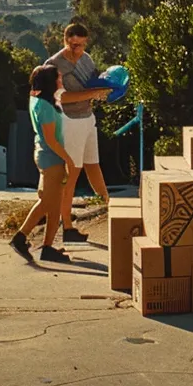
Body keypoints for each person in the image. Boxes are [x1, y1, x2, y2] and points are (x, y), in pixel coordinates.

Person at [46, 22, 111, 243]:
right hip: (68, 121)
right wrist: (93, 93)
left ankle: (110, 206)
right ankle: (67, 227)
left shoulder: (87, 59)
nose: (77, 50)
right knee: (71, 174)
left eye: (82, 45)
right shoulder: (54, 65)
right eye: (74, 45)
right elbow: (61, 97)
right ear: (65, 40)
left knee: (93, 165)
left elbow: (92, 84)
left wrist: (106, 89)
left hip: (87, 117)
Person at [10, 66, 74, 263]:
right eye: (59, 77)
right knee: (48, 202)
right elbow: (51, 140)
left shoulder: (40, 100)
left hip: (47, 156)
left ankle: (48, 247)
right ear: (51, 82)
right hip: (51, 158)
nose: (61, 80)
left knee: (54, 205)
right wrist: (68, 159)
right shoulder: (44, 107)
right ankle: (20, 237)